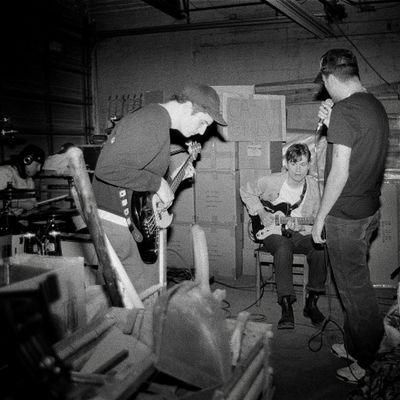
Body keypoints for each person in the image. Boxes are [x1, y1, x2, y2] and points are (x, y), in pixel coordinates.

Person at [92, 83, 227, 294]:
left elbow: (137, 178)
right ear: (188, 106)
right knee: (142, 297)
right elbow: (107, 169)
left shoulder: (156, 121)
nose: (202, 131)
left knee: (136, 297)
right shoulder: (152, 120)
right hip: (120, 224)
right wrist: (157, 183)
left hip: (129, 221)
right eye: (203, 122)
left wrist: (171, 179)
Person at [311, 49, 389, 383]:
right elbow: (359, 145)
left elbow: (340, 173)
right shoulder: (373, 104)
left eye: (323, 80)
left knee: (356, 293)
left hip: (345, 217)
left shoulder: (345, 110)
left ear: (328, 77)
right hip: (368, 211)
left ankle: (366, 360)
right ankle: (356, 344)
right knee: (353, 285)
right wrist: (333, 124)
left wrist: (319, 218)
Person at [240, 143, 327, 329]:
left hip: (300, 233)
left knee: (320, 247)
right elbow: (245, 190)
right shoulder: (271, 181)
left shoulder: (314, 188)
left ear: (309, 165)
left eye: (302, 164)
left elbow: (319, 218)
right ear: (286, 164)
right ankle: (286, 305)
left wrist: (304, 226)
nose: (298, 169)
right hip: (273, 232)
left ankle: (311, 302)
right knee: (283, 246)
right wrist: (261, 212)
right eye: (294, 163)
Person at [0, 144, 44, 215]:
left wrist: (33, 209)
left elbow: (32, 205)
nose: (39, 169)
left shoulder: (29, 180)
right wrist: (20, 204)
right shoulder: (4, 173)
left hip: (16, 219)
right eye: (37, 165)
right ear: (26, 161)